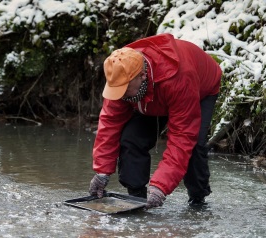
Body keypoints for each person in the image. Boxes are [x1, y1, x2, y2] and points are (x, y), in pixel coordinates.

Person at [88, 33, 222, 208]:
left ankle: (197, 200)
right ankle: (136, 197)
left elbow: (182, 138)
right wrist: (102, 171)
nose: (119, 95)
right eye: (116, 89)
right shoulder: (121, 74)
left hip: (198, 89)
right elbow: (109, 123)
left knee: (194, 145)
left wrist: (160, 186)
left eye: (124, 89)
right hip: (151, 96)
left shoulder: (180, 78)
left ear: (142, 75)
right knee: (131, 139)